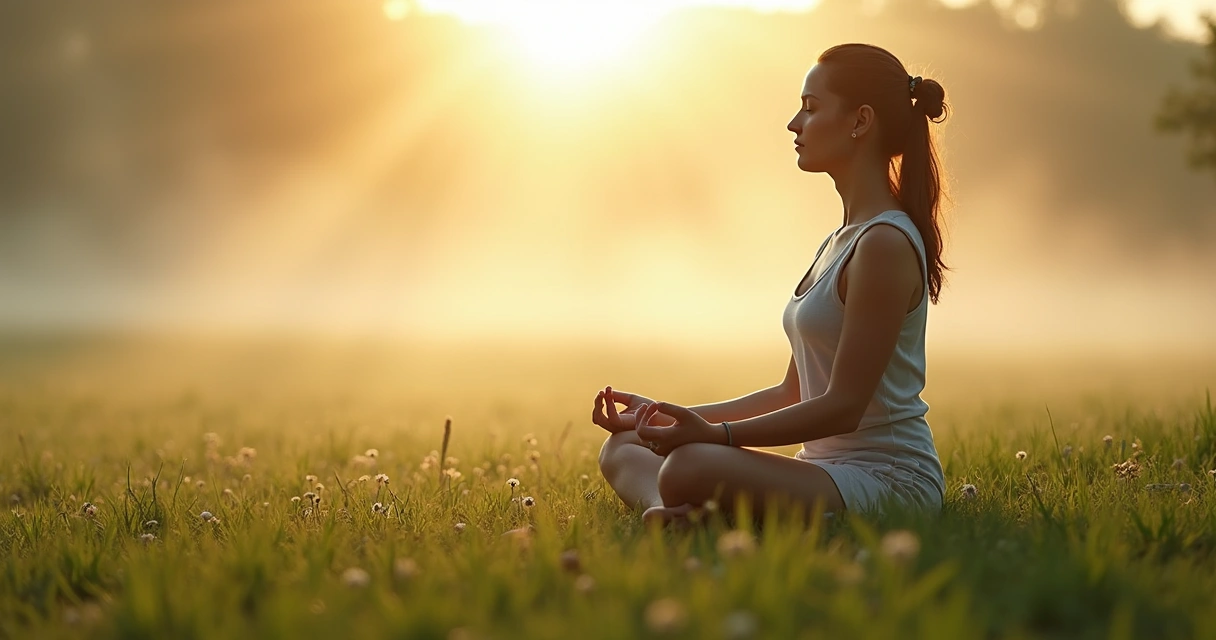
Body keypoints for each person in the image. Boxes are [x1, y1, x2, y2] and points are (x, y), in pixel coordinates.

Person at [591, 43, 951, 525]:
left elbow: (843, 408)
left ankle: (693, 511)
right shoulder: (841, 240)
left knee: (690, 464)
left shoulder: (883, 244)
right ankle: (678, 516)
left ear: (860, 121)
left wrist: (715, 436)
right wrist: (664, 419)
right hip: (823, 472)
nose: (794, 124)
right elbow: (791, 392)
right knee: (624, 447)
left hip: (889, 481)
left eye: (810, 108)